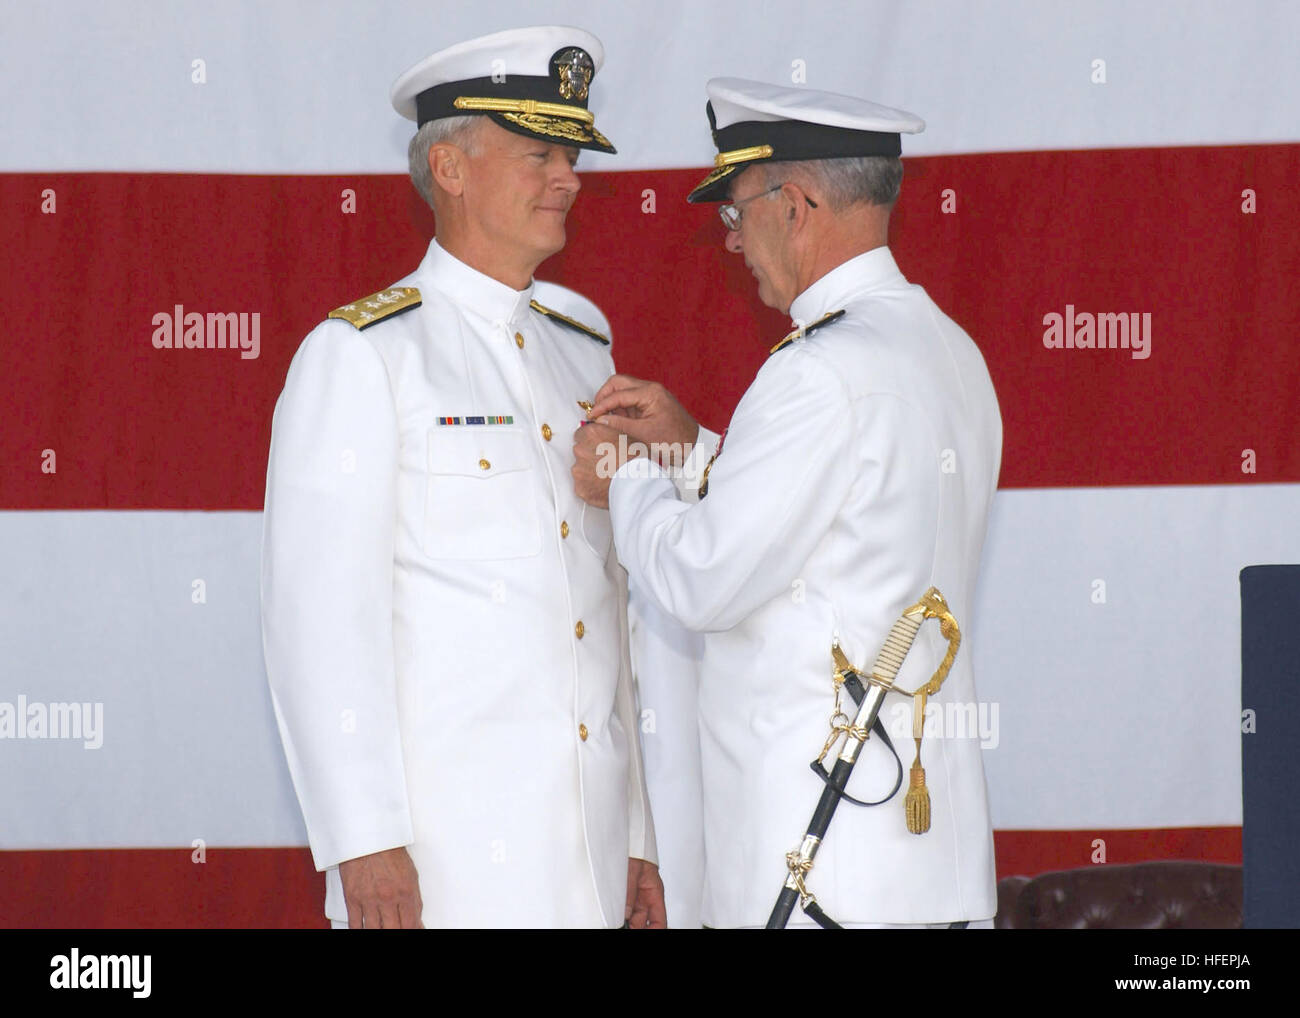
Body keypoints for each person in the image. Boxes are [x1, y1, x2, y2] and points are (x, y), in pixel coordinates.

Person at [572, 78, 1003, 928]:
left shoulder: (814, 370)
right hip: (924, 869)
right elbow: (838, 528)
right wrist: (692, 451)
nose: (733, 243)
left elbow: (700, 581)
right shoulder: (948, 349)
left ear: (795, 204)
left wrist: (626, 474)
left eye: (735, 214)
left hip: (826, 868)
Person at [261, 26, 664, 929]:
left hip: (589, 856)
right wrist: (361, 841)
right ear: (448, 166)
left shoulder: (581, 347)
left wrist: (638, 834)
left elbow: (609, 612)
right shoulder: (363, 356)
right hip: (446, 865)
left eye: (573, 156)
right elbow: (320, 620)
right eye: (541, 154)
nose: (569, 177)